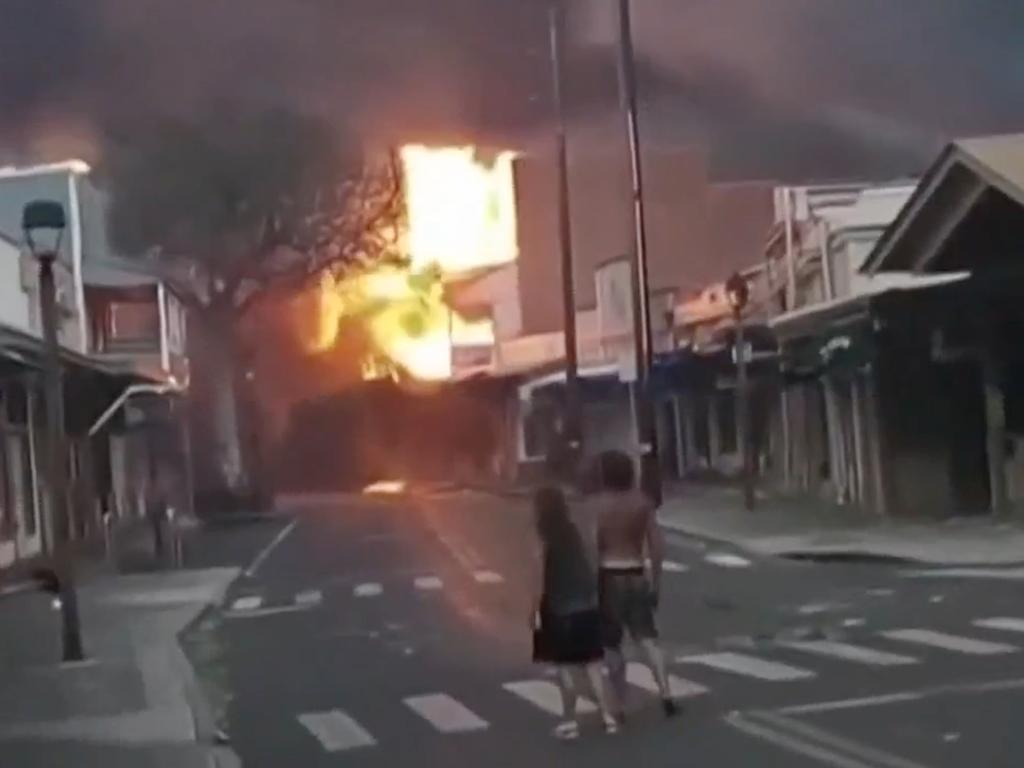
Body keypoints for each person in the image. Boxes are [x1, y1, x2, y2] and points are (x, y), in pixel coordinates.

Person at [593, 450, 677, 718]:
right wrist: (657, 581)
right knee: (648, 639)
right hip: (636, 573)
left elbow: (594, 545)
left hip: (609, 575)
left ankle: (620, 703)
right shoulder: (643, 503)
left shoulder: (599, 505)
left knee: (612, 645)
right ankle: (665, 692)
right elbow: (656, 545)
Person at [531, 486, 619, 739]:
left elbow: (538, 575)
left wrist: (535, 608)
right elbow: (592, 559)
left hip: (559, 608)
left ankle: (570, 721)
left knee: (565, 667)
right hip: (587, 604)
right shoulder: (574, 529)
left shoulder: (543, 535)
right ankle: (607, 717)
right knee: (592, 663)